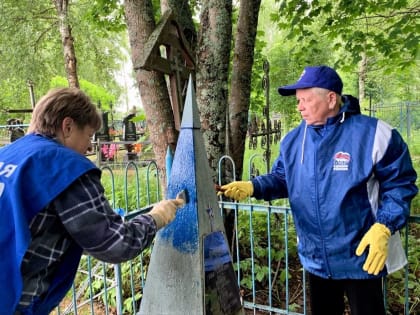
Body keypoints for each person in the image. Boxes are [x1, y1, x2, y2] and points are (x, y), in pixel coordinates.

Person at [218, 65, 418, 315]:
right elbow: (283, 178)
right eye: (298, 100)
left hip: (362, 254)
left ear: (331, 99)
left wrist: (385, 225)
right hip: (316, 257)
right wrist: (253, 186)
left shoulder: (374, 133)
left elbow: (400, 184)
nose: (299, 106)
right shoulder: (293, 140)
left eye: (306, 100)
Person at [0, 88, 184, 315]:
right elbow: (116, 245)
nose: (89, 147)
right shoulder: (63, 166)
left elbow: (32, 228)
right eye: (88, 135)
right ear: (67, 127)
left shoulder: (9, 155)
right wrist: (156, 217)